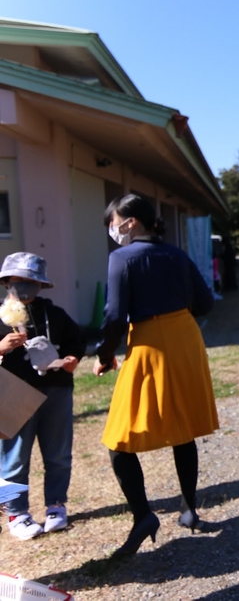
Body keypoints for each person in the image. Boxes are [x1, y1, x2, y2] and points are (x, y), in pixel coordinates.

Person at [93, 193, 218, 558]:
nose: (112, 230)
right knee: (183, 427)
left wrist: (103, 354)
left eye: (113, 222)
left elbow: (115, 316)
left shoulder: (122, 258)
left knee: (119, 439)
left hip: (149, 342)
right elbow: (206, 302)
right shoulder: (177, 254)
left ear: (131, 222)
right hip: (185, 337)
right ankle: (190, 508)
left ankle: (144, 515)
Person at [0, 253, 85, 540]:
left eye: (31, 281)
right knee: (14, 458)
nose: (25, 286)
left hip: (56, 390)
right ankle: (16, 513)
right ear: (7, 282)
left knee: (58, 453)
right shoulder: (0, 316)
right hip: (13, 393)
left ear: (41, 285)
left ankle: (56, 506)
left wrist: (72, 358)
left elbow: (77, 341)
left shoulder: (54, 313)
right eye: (18, 281)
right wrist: (1, 347)